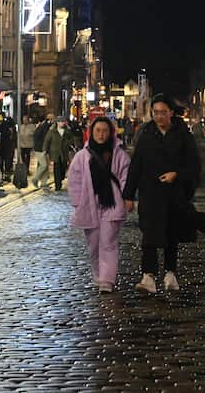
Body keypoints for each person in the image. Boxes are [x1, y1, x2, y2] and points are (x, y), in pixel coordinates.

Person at [123, 95, 205, 293]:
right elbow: (136, 165)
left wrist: (177, 175)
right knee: (149, 234)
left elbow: (194, 166)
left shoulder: (183, 136)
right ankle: (148, 276)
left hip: (174, 194)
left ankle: (170, 273)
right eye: (155, 112)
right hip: (150, 193)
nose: (159, 116)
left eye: (163, 112)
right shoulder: (146, 134)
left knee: (171, 234)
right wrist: (128, 195)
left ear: (171, 112)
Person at [68, 117, 133, 292]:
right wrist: (77, 202)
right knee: (94, 243)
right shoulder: (82, 156)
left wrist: (127, 197)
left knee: (108, 241)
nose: (101, 135)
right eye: (98, 131)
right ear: (91, 132)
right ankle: (98, 274)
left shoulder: (119, 155)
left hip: (112, 203)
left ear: (111, 133)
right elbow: (74, 180)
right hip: (89, 203)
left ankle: (107, 279)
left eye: (105, 131)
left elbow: (126, 178)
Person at [44, 117, 76, 191]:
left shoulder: (67, 131)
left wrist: (68, 142)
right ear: (57, 122)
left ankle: (61, 178)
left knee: (63, 167)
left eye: (63, 121)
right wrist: (45, 149)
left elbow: (72, 139)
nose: (62, 123)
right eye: (61, 121)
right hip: (55, 152)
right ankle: (57, 185)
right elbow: (47, 140)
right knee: (56, 168)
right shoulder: (52, 131)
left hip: (64, 152)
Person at [32, 113, 53, 188]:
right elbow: (44, 138)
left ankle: (44, 183)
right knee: (44, 165)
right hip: (40, 149)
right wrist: (42, 147)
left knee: (46, 166)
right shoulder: (45, 126)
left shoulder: (44, 125)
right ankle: (35, 178)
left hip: (44, 148)